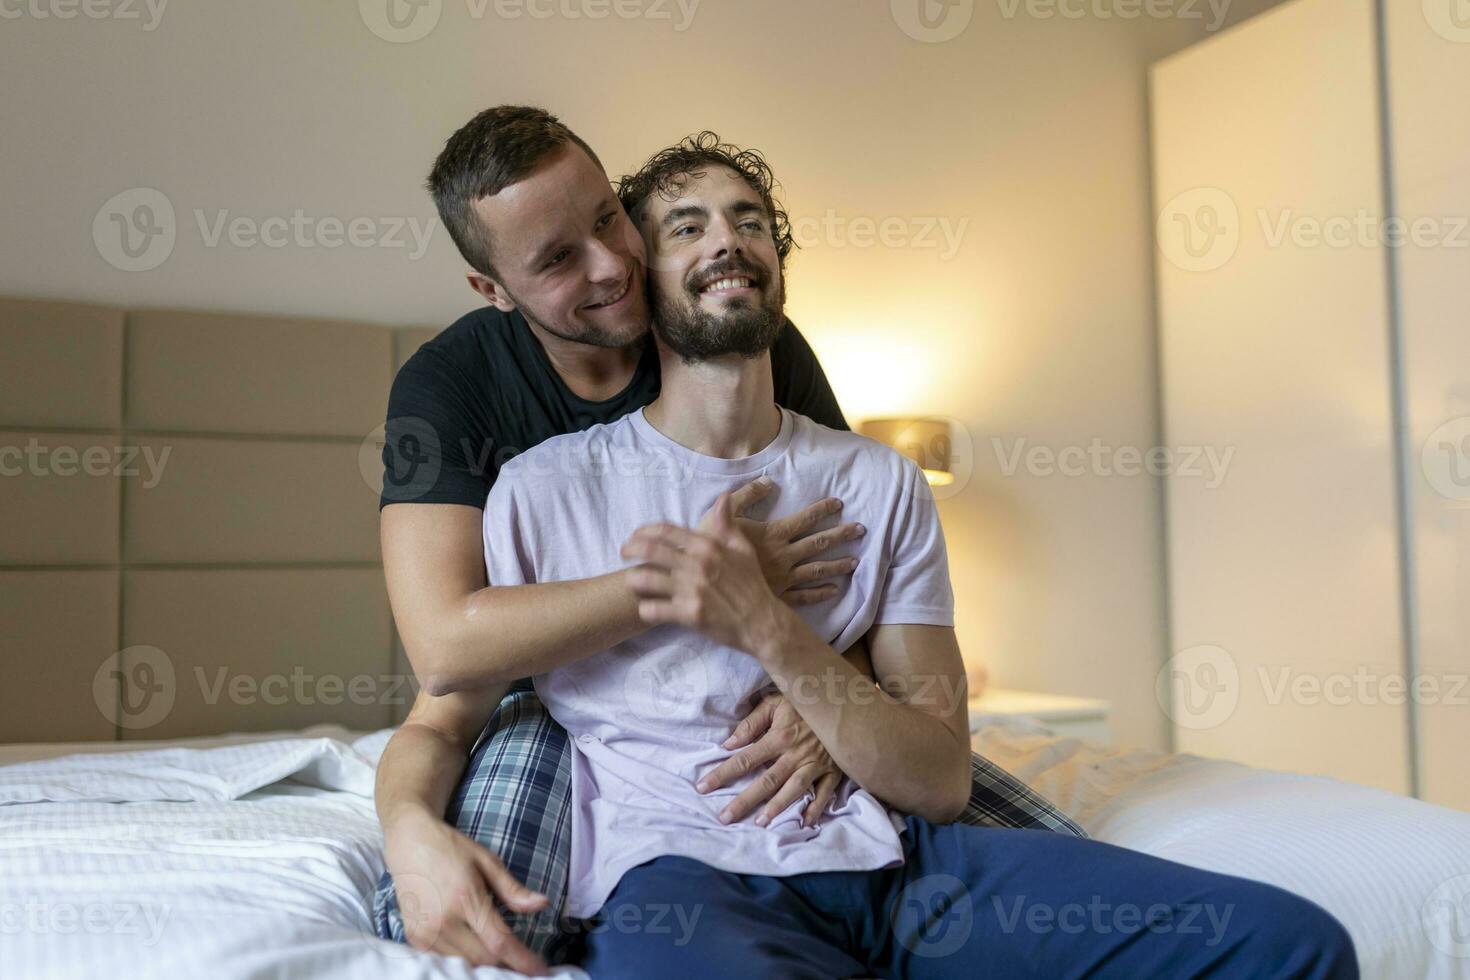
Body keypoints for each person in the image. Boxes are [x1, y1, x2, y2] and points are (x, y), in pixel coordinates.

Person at [471, 131, 1359, 979]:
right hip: (682, 879)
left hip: (894, 863)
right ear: (639, 275)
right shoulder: (546, 491)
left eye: (749, 220)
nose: (729, 241)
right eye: (687, 226)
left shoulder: (879, 482)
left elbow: (938, 778)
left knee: (1293, 944)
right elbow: (454, 696)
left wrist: (776, 634)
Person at [371, 106, 1083, 974]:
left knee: (1030, 840)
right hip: (557, 697)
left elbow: (848, 570)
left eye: (607, 221)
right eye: (558, 259)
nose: (611, 266)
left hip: (774, 689)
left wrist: (826, 688)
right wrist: (408, 830)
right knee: (492, 921)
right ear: (493, 288)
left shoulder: (742, 329)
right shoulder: (457, 387)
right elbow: (446, 654)